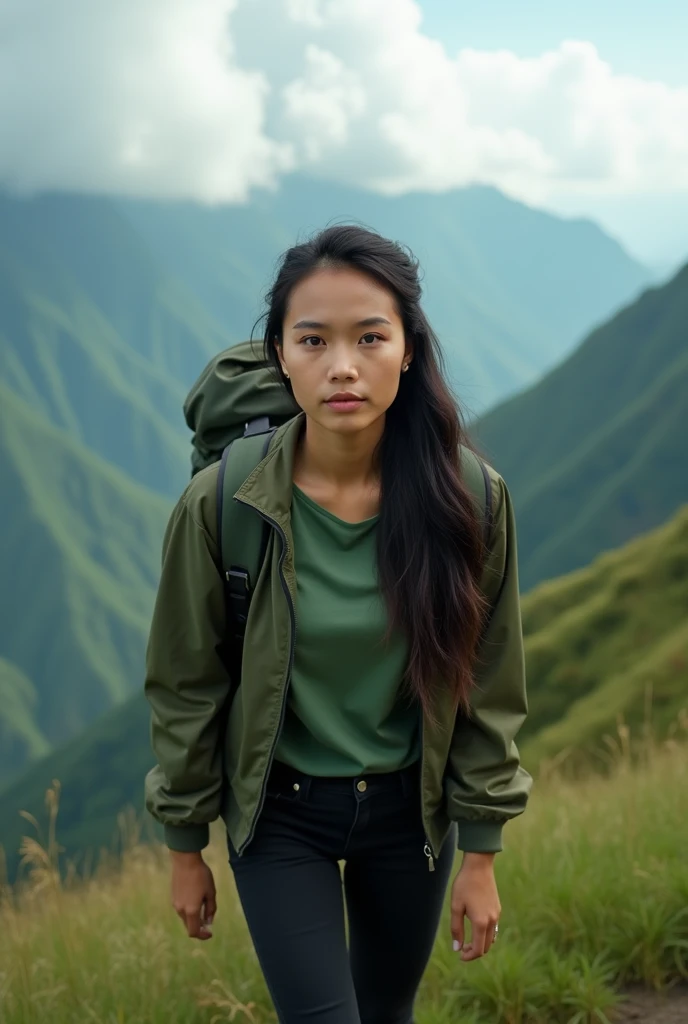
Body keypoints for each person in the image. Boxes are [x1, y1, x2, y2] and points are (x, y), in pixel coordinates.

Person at [143, 224, 532, 1024]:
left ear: (409, 350)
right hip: (281, 816)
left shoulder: (471, 499)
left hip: (408, 813)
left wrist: (482, 851)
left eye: (370, 337)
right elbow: (186, 684)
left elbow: (489, 680)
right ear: (280, 354)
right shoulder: (223, 504)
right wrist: (186, 845)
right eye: (313, 339)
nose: (343, 366)